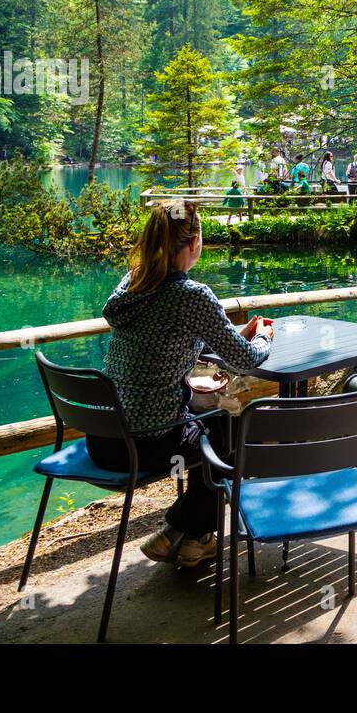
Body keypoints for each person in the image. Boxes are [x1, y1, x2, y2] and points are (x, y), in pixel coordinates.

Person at [99, 200, 273, 566]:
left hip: (104, 438)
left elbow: (171, 337)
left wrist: (228, 338)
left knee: (212, 424)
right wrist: (262, 338)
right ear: (194, 242)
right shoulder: (192, 295)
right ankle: (184, 533)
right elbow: (246, 360)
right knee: (232, 431)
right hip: (147, 442)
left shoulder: (132, 283)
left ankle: (187, 536)